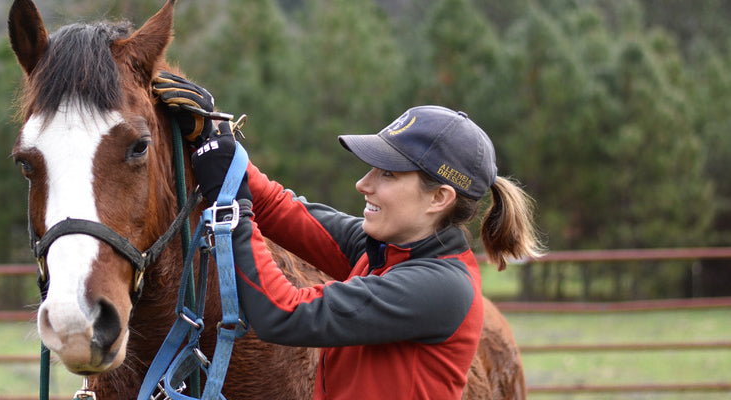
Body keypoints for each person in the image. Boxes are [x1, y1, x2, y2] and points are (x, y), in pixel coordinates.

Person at [153, 72, 543, 400]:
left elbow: (283, 315)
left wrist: (232, 209)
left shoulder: (440, 287)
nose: (363, 183)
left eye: (387, 174)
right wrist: (217, 138)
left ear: (439, 198)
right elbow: (278, 208)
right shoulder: (384, 250)